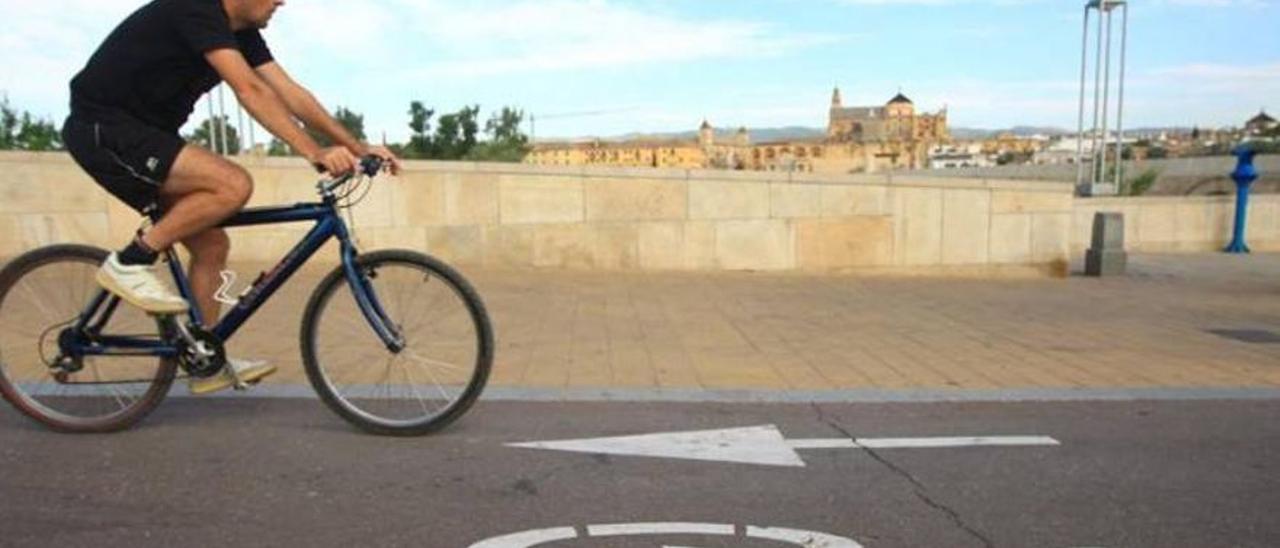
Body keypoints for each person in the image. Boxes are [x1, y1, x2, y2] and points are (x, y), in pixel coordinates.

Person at [61, 0, 400, 395]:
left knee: (212, 245)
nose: (281, 2)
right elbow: (249, 89)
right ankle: (131, 261)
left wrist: (357, 148)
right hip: (104, 130)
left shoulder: (242, 33)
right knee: (231, 185)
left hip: (147, 136)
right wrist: (313, 151)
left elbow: (290, 93)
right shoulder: (196, 8)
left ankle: (203, 357)